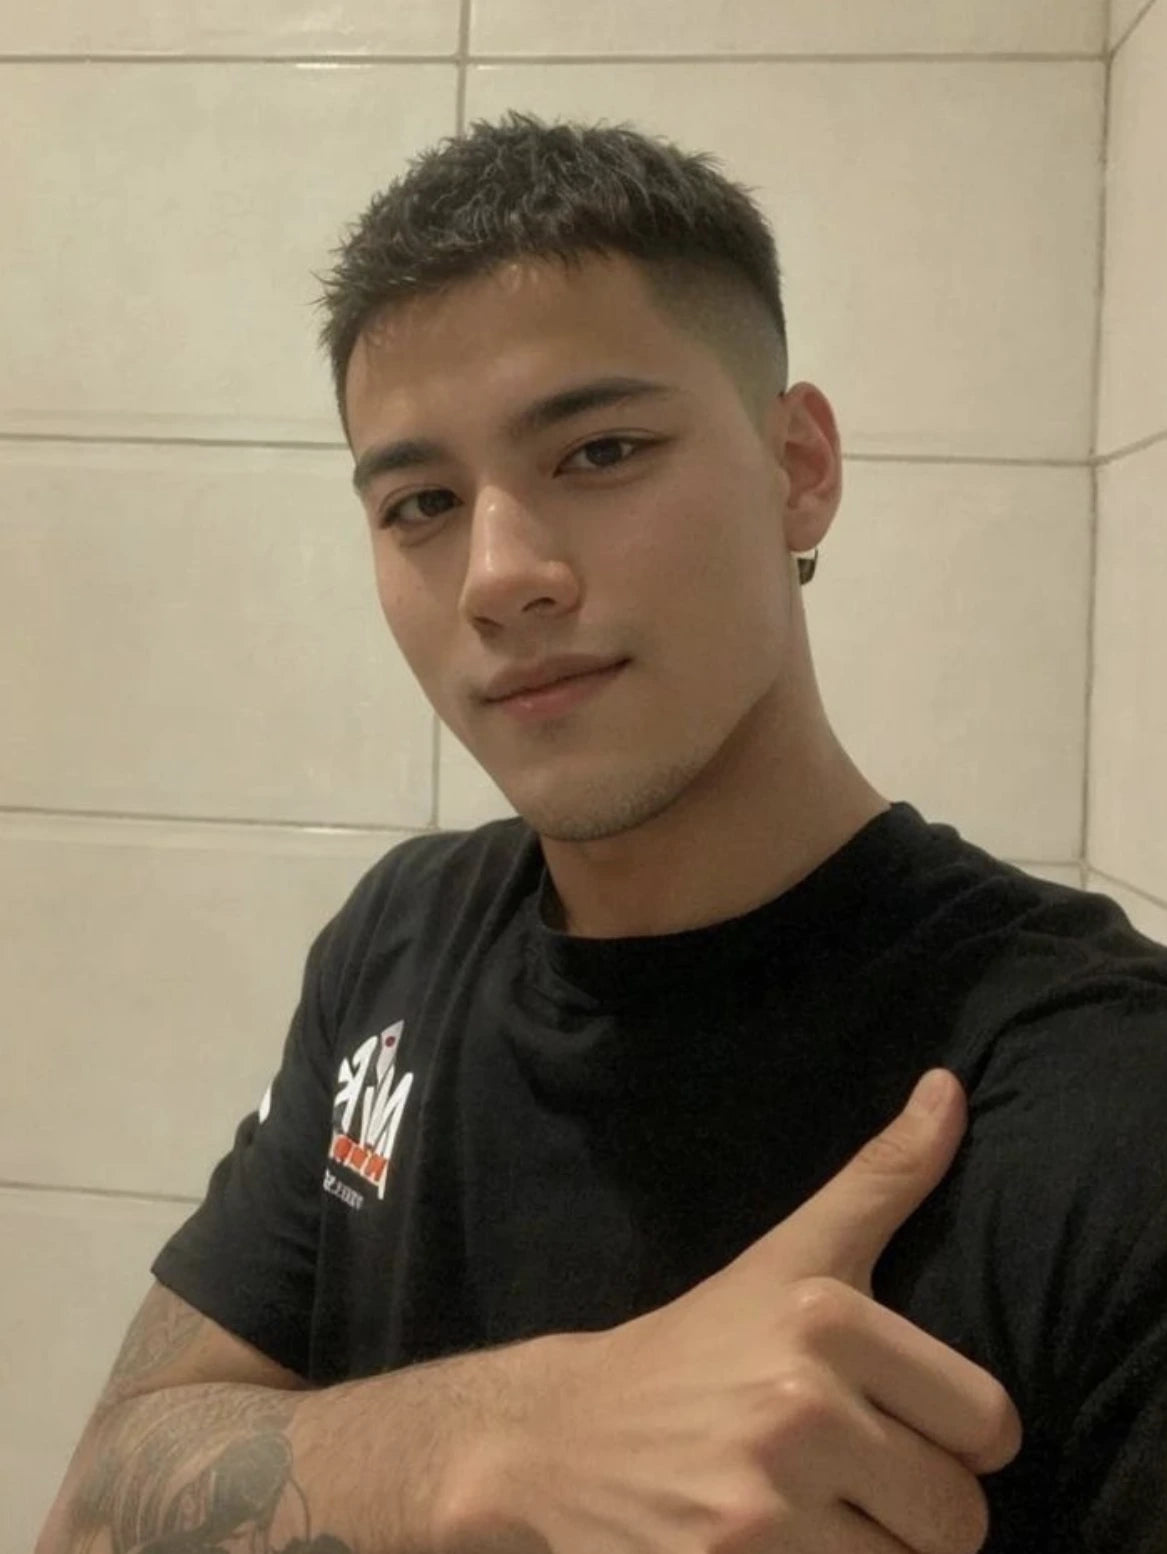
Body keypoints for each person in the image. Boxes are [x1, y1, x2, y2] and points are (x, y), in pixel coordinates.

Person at [38, 112, 1167, 1554]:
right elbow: (101, 1498)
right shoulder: (400, 940)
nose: (499, 575)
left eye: (601, 449)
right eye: (421, 502)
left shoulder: (1107, 1103)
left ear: (798, 465)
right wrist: (511, 1440)